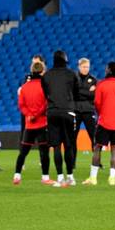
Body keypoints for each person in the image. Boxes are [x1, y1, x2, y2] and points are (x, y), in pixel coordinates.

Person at [41, 49, 80, 186]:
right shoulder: (71, 74)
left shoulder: (46, 75)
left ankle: (59, 178)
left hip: (52, 112)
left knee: (56, 146)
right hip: (68, 112)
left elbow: (45, 93)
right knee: (68, 145)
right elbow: (76, 92)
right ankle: (70, 177)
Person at [88, 61, 115, 185]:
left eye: (107, 68)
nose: (105, 70)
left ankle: (93, 178)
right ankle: (112, 178)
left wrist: (102, 112)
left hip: (104, 121)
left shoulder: (101, 84)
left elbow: (97, 102)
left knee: (98, 147)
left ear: (110, 70)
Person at [14, 61, 53, 185]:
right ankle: (45, 177)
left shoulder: (24, 87)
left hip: (29, 124)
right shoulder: (45, 86)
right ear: (42, 71)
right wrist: (36, 115)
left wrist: (29, 115)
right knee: (44, 152)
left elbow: (21, 105)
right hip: (42, 123)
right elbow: (47, 103)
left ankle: (17, 176)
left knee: (23, 152)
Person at [75, 57, 98, 156]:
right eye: (84, 67)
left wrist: (80, 91)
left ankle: (97, 162)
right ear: (79, 67)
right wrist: (88, 92)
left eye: (87, 67)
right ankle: (72, 162)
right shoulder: (73, 79)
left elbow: (94, 95)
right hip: (75, 110)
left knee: (93, 136)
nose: (86, 69)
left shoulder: (93, 79)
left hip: (89, 110)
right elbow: (73, 94)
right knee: (72, 137)